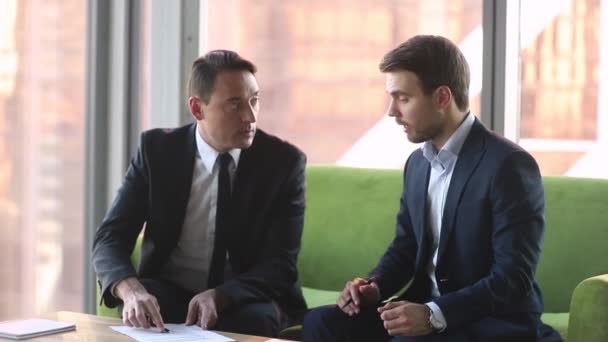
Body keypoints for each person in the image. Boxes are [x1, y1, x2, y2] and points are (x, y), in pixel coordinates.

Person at [302, 35, 562, 342]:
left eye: (403, 98)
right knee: (322, 323)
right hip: (425, 310)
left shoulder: (508, 165)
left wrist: (432, 314)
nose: (392, 112)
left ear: (441, 98)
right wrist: (373, 286)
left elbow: (513, 277)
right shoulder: (417, 164)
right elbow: (405, 247)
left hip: (489, 321)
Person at [92, 50, 307, 337]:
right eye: (234, 105)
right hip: (171, 291)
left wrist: (220, 295)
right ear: (197, 109)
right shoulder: (157, 151)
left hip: (245, 297)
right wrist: (130, 289)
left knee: (255, 321)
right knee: (143, 309)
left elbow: (280, 264)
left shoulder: (283, 163)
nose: (250, 116)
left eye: (254, 100)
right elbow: (110, 237)